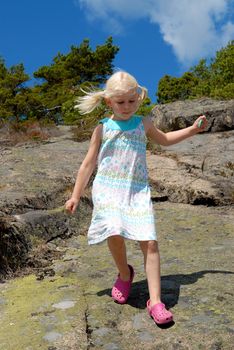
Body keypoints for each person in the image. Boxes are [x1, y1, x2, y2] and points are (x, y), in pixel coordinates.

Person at [65, 71, 207, 325]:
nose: (127, 107)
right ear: (109, 102)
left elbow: (164, 140)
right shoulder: (102, 128)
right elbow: (87, 165)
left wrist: (192, 130)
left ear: (138, 98)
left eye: (132, 101)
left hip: (136, 190)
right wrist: (76, 195)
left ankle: (156, 301)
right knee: (114, 233)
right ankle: (124, 273)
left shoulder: (144, 123)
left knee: (150, 243)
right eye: (121, 102)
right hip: (108, 190)